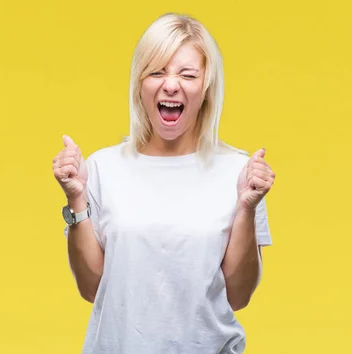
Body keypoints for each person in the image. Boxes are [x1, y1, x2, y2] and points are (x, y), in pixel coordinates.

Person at [51, 12, 276, 354]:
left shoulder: (238, 173)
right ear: (140, 85)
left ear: (206, 88)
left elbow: (239, 295)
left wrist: (247, 208)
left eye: (187, 74)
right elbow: (91, 288)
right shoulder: (102, 168)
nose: (171, 85)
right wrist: (76, 199)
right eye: (157, 72)